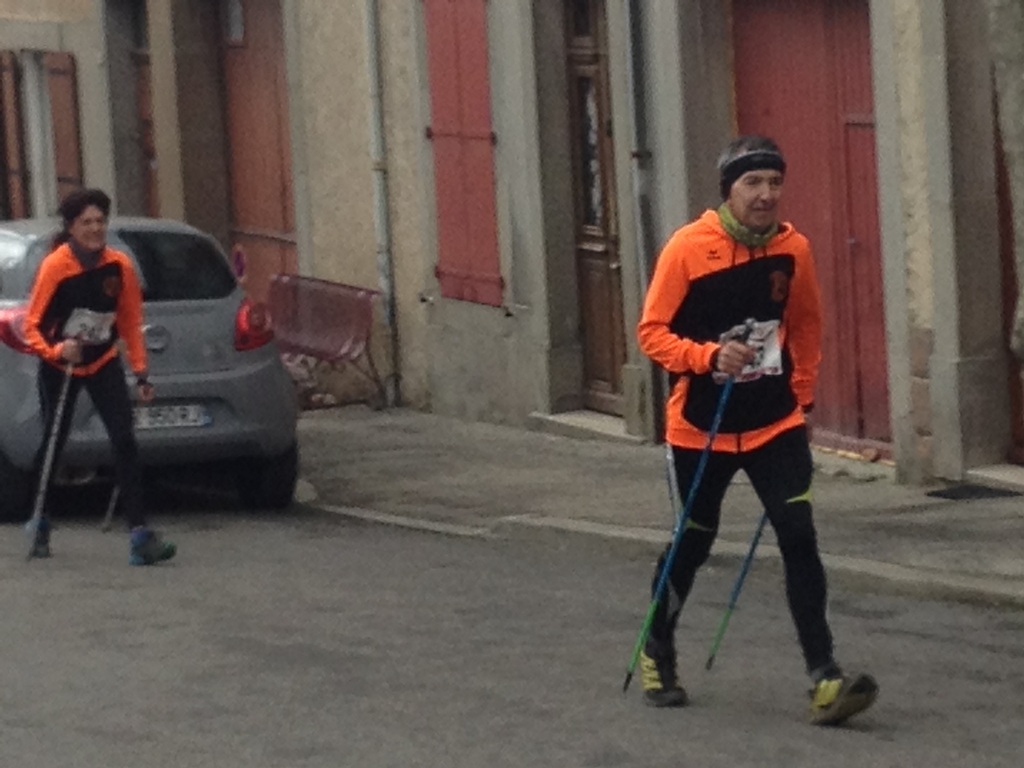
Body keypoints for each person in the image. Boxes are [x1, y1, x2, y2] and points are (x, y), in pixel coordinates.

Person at [635, 135, 877, 725]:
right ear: (728, 190)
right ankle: (657, 649)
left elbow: (807, 324)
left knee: (799, 535)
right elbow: (651, 333)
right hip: (702, 426)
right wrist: (707, 357)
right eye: (753, 183)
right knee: (694, 541)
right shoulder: (688, 248)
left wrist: (802, 396)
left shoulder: (793, 249)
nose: (766, 194)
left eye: (774, 182)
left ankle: (825, 676)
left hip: (774, 422)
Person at [22, 187, 176, 566]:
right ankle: (40, 519)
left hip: (102, 359)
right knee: (55, 442)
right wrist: (57, 350)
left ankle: (140, 535)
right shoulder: (55, 266)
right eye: (86, 222)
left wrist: (141, 372)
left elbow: (130, 321)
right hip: (62, 364)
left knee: (124, 439)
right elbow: (32, 326)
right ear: (71, 227)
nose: (95, 228)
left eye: (100, 221)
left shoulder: (119, 265)